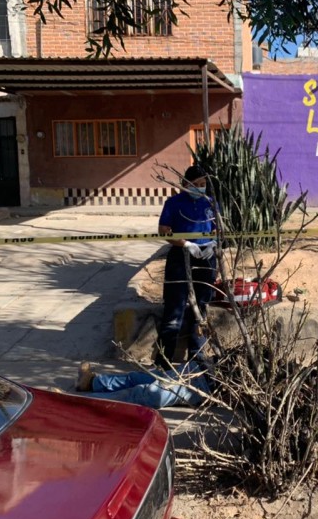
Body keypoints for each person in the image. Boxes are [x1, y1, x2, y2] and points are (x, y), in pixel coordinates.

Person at [156, 164, 217, 370]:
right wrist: (186, 244)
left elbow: (219, 229)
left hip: (206, 258)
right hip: (180, 259)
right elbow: (164, 231)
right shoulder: (173, 203)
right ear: (185, 184)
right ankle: (164, 362)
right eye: (195, 184)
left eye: (203, 184)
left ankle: (197, 359)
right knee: (174, 310)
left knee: (200, 309)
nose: (200, 188)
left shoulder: (211, 202)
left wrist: (213, 244)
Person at [75, 360, 212, 409]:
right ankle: (91, 383)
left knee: (141, 394)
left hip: (204, 385)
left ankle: (81, 403)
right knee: (136, 378)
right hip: (197, 368)